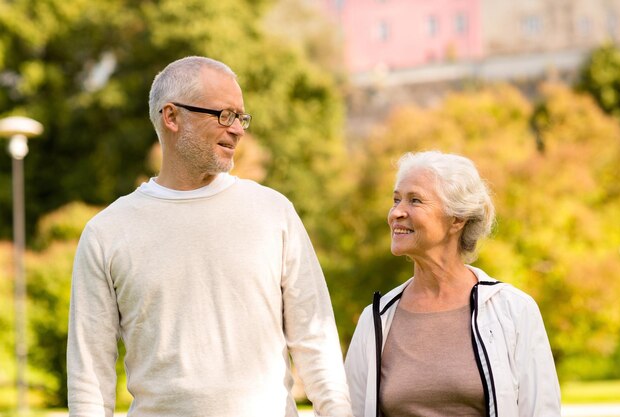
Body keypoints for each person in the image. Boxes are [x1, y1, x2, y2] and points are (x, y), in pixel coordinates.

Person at [67, 56, 353, 417]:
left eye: (241, 117)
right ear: (172, 117)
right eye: (224, 115)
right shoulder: (107, 232)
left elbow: (315, 338)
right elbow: (89, 374)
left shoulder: (273, 212)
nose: (237, 129)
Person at [344, 150, 561, 417]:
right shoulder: (376, 319)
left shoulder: (514, 310)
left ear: (457, 219)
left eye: (415, 200)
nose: (396, 213)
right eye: (396, 200)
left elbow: (541, 410)